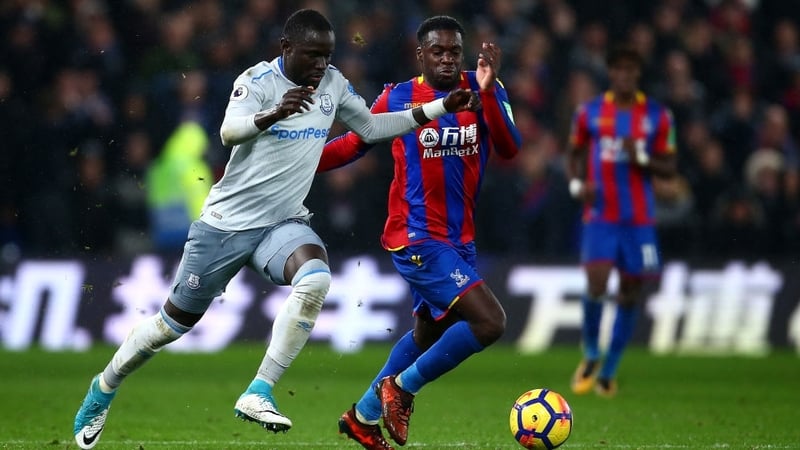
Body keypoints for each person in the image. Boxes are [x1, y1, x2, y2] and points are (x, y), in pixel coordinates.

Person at [72, 9, 474, 449]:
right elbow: (228, 132)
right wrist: (271, 114)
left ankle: (259, 390)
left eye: (328, 56)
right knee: (170, 326)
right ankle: (104, 387)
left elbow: (373, 128)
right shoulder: (257, 81)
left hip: (282, 224)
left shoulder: (333, 85)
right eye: (313, 56)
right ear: (287, 49)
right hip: (224, 226)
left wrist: (436, 108)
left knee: (316, 278)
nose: (322, 65)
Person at [317, 15, 521, 450]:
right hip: (416, 237)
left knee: (428, 334)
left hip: (459, 239)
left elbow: (508, 148)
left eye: (453, 51)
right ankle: (402, 388)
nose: (447, 59)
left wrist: (486, 92)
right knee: (489, 323)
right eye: (437, 51)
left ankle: (362, 417)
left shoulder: (484, 87)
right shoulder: (399, 96)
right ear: (421, 54)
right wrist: (303, 162)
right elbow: (355, 144)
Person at [565, 44, 677, 398]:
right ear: (611, 73)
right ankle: (591, 353)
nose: (624, 75)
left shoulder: (658, 115)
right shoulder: (590, 112)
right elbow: (575, 152)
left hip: (639, 220)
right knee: (596, 283)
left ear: (637, 74)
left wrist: (641, 155)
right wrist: (577, 183)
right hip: (600, 215)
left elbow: (670, 167)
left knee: (630, 292)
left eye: (631, 69)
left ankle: (609, 370)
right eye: (618, 69)